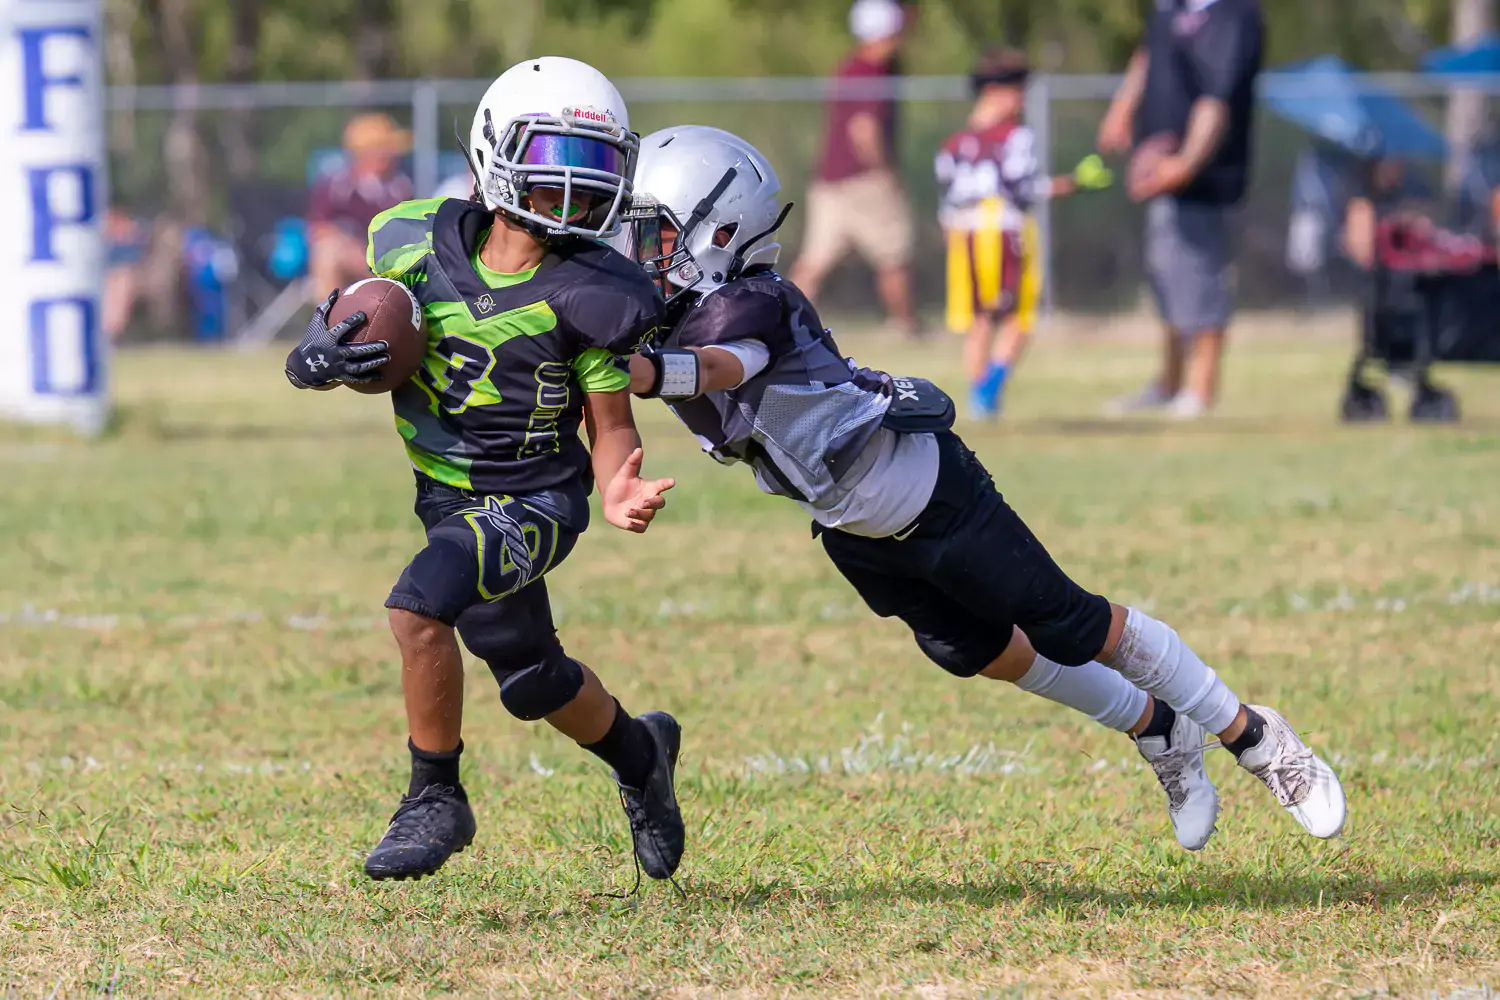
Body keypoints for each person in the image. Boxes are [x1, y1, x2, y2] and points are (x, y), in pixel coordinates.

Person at [615, 125, 1346, 852]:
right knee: (978, 653)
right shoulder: (669, 316)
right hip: (850, 528)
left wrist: (643, 373)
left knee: (1074, 624)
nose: (638, 252)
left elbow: (719, 367)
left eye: (653, 233)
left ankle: (1257, 738)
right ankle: (1160, 731)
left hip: (929, 490)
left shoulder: (750, 304)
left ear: (719, 233)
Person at [283, 58, 685, 886]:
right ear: (498, 150)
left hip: (537, 498)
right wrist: (318, 353)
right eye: (556, 160)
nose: (576, 185)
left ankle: (436, 796)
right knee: (532, 680)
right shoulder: (410, 240)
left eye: (596, 164)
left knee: (417, 606)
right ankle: (641, 752)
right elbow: (354, 326)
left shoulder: (593, 294)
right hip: (445, 493)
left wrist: (616, 485)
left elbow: (611, 422)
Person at [1098, 0, 1264, 419]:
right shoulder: (1170, 9)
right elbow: (1147, 56)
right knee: (1168, 276)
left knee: (1202, 280)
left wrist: (1186, 163)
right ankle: (1169, 382)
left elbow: (1217, 98)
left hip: (1208, 177)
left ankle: (1200, 389)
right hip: (1162, 172)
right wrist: (1122, 109)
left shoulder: (1233, 15)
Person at [936, 47, 1113, 419]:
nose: (1021, 100)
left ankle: (978, 396)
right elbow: (1021, 188)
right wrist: (1070, 184)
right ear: (997, 92)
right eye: (1018, 90)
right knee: (1017, 316)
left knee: (980, 319)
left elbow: (948, 197)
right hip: (1001, 232)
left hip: (963, 233)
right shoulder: (1015, 136)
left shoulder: (954, 144)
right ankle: (988, 390)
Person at [790, 0, 920, 339]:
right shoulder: (873, 71)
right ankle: (906, 326)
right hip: (865, 179)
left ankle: (779, 322)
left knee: (814, 261)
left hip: (830, 179)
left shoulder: (848, 66)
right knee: (893, 255)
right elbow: (864, 131)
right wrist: (887, 172)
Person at [307, 113, 416, 302]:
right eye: (386, 149)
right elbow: (318, 229)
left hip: (389, 262)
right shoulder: (337, 186)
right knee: (326, 253)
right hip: (350, 257)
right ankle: (332, 322)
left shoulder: (400, 188)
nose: (392, 155)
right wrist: (353, 248)